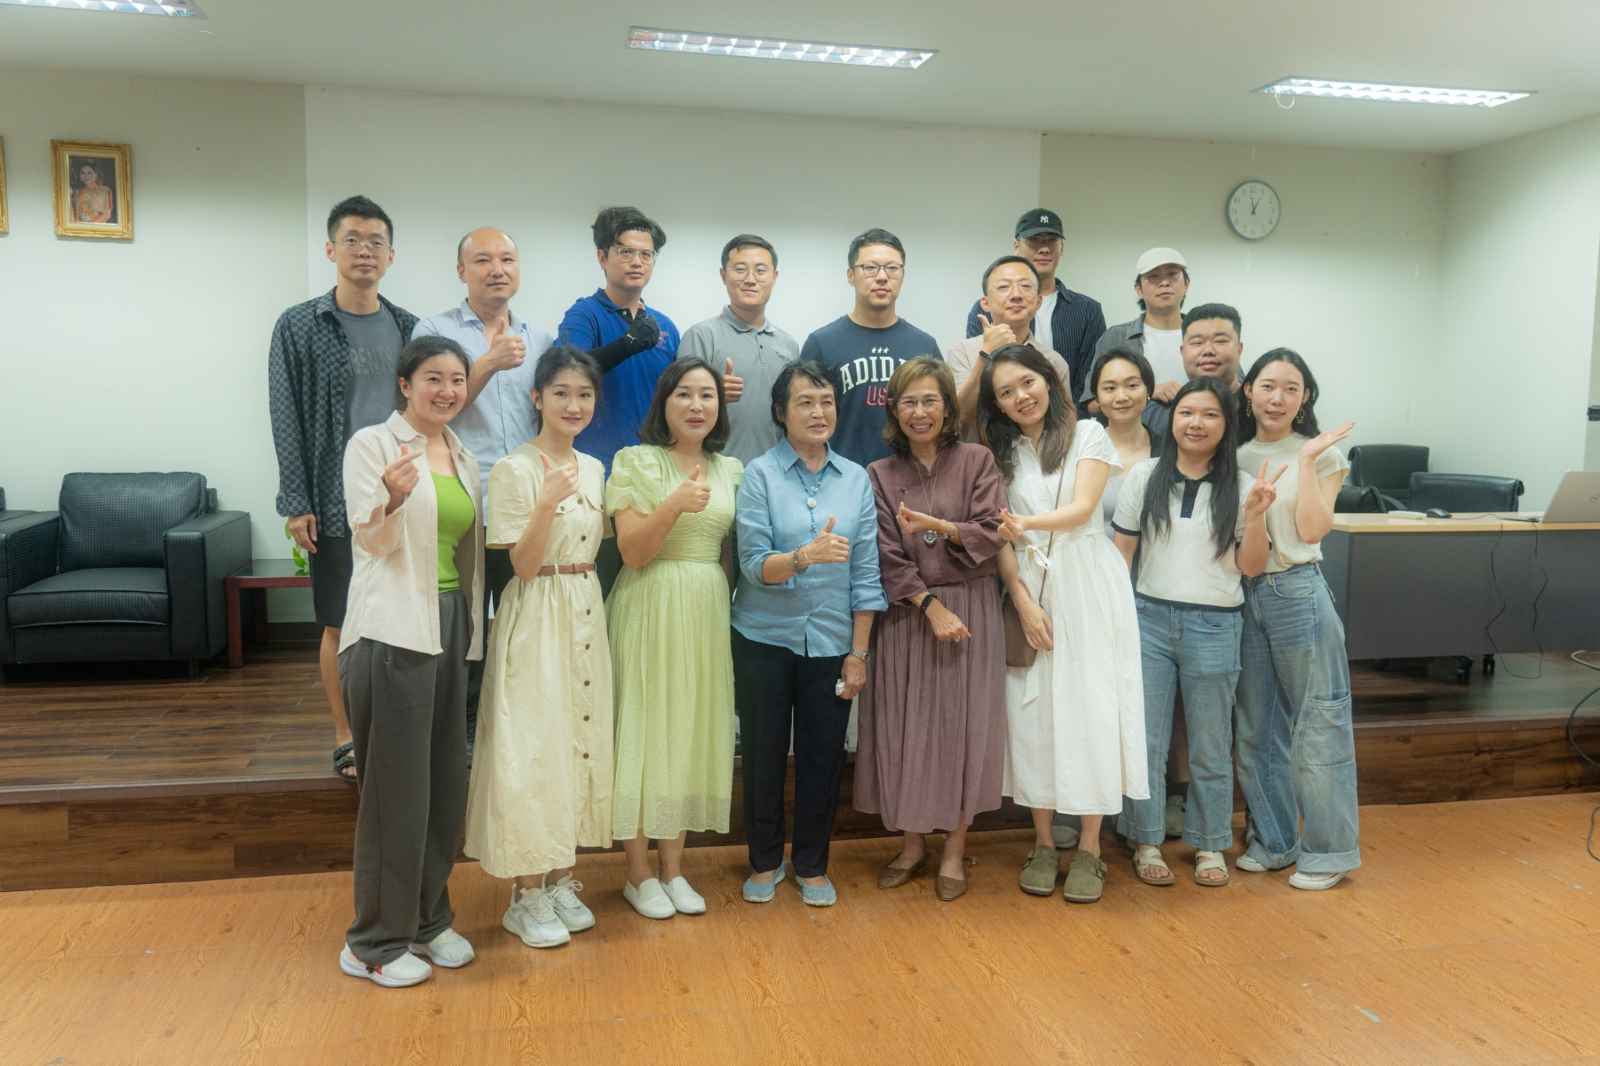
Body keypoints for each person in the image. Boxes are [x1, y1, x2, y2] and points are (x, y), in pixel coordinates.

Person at [336, 335, 484, 988]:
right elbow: (368, 540)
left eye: (457, 380)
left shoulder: (462, 454)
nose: (447, 391)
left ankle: (426, 920)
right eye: (433, 378)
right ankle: (372, 943)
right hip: (392, 630)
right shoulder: (373, 445)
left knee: (443, 785)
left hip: (449, 624)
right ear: (405, 384)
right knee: (395, 795)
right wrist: (392, 500)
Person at [978, 345, 1147, 904]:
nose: (1020, 397)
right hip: (1030, 583)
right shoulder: (1000, 452)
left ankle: (1091, 848)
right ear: (998, 405)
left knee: (1091, 709)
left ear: (1048, 380)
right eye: (1006, 392)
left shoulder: (1088, 434)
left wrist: (1023, 524)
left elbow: (1082, 509)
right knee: (1032, 715)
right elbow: (1000, 539)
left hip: (1088, 583)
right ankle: (1045, 843)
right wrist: (1021, 600)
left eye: (1027, 383)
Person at [463, 345, 614, 948]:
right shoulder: (513, 469)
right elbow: (521, 566)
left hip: (585, 606)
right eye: (561, 393)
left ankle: (557, 878)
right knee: (532, 746)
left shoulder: (596, 467)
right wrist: (548, 500)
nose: (573, 405)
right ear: (537, 398)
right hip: (536, 611)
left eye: (584, 394)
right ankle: (524, 894)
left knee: (577, 737)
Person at [269, 195, 417, 784]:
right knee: (339, 619)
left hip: (401, 491)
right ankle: (345, 733)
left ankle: (394, 729)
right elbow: (285, 414)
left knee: (401, 612)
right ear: (331, 249)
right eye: (352, 240)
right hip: (333, 496)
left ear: (391, 255)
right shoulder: (299, 325)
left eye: (376, 241)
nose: (364, 251)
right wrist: (296, 501)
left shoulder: (408, 326)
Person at [1111, 378, 1277, 888]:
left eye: (1209, 414)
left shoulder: (1243, 487)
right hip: (1148, 620)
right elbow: (1121, 556)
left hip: (1216, 624)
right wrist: (1116, 621)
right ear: (1172, 420)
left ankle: (1209, 844)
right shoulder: (1144, 477)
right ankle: (1145, 840)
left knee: (1210, 743)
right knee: (1147, 740)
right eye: (1186, 413)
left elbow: (1251, 568)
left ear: (1226, 425)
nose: (1196, 423)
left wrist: (1256, 517)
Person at [733, 360, 885, 907]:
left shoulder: (856, 478)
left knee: (823, 756)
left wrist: (858, 653)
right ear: (781, 412)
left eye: (826, 401)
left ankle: (812, 864)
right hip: (763, 638)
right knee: (764, 753)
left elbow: (866, 572)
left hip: (832, 641)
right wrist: (804, 557)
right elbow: (753, 565)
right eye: (805, 402)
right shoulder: (759, 474)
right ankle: (764, 859)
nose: (818, 412)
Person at [855, 357, 1007, 902]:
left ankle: (954, 850)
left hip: (971, 609)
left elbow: (992, 531)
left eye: (930, 401)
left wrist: (942, 529)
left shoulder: (977, 460)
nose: (919, 412)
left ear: (947, 407)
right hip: (909, 613)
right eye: (909, 402)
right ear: (894, 410)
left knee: (964, 730)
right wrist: (928, 605)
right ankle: (912, 844)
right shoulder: (878, 473)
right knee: (907, 730)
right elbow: (884, 552)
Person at [606, 358, 743, 920]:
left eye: (707, 395)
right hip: (650, 598)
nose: (696, 405)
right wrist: (672, 504)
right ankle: (637, 873)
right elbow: (633, 552)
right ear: (663, 402)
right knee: (645, 727)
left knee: (688, 730)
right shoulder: (636, 461)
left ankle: (673, 868)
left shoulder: (730, 468)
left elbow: (732, 554)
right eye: (683, 393)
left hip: (706, 605)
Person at [412, 228, 556, 747]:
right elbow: (433, 407)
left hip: (524, 501)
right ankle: (462, 727)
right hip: (463, 496)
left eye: (507, 259)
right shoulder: (435, 330)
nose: (497, 269)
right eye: (483, 260)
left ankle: (515, 723)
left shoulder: (540, 338)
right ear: (461, 271)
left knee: (523, 613)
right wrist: (488, 363)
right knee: (467, 620)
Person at [1235, 349, 1361, 891]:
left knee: (1319, 726)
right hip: (1244, 594)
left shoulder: (1324, 455)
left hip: (1299, 593)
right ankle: (1275, 841)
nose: (1278, 398)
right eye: (1268, 385)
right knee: (1256, 729)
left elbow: (1311, 531)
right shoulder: (1233, 454)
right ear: (1248, 391)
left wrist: (1307, 462)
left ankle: (1330, 854)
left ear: (1305, 396)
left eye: (1291, 388)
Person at [560, 206, 680, 592]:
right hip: (595, 473)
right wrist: (627, 344)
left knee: (644, 587)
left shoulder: (665, 326)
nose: (637, 261)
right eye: (626, 251)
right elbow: (571, 374)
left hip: (652, 474)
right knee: (596, 587)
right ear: (602, 256)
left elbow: (673, 400)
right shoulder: (584, 315)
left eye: (646, 254)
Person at [799, 228, 940, 467]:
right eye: (870, 268)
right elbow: (802, 420)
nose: (882, 277)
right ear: (851, 275)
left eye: (892, 268)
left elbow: (942, 418)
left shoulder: (924, 345)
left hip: (911, 476)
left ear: (903, 275)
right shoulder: (821, 343)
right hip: (839, 477)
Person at [965, 209, 1105, 406]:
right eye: (1035, 240)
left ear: (1062, 247)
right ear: (1016, 246)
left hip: (1065, 415)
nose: (1044, 249)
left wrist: (1068, 418)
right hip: (999, 414)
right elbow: (978, 367)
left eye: (1051, 241)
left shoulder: (1087, 310)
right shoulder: (986, 310)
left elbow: (1089, 380)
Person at [678, 234, 798, 464]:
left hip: (777, 473)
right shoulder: (701, 336)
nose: (750, 279)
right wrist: (710, 394)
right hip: (714, 470)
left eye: (760, 270)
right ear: (723, 275)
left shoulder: (788, 345)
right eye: (740, 269)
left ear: (775, 277)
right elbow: (677, 410)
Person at [945, 256, 1071, 435]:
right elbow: (960, 417)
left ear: (1038, 302)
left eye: (1025, 286)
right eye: (1004, 287)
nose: (1016, 295)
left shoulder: (1054, 361)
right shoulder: (962, 352)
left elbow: (1063, 425)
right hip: (978, 453)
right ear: (985, 303)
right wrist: (986, 354)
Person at [1090, 248, 1190, 408]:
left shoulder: (1205, 335)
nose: (1164, 283)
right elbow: (1091, 404)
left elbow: (1230, 389)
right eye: (1153, 277)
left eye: (1172, 274)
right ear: (1139, 289)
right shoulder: (1116, 338)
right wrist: (1145, 392)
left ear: (1186, 285)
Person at [1143, 302, 1245, 443]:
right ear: (1182, 351)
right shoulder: (1156, 413)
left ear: (1239, 349)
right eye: (1197, 342)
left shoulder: (1259, 407)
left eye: (1220, 341)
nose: (1208, 350)